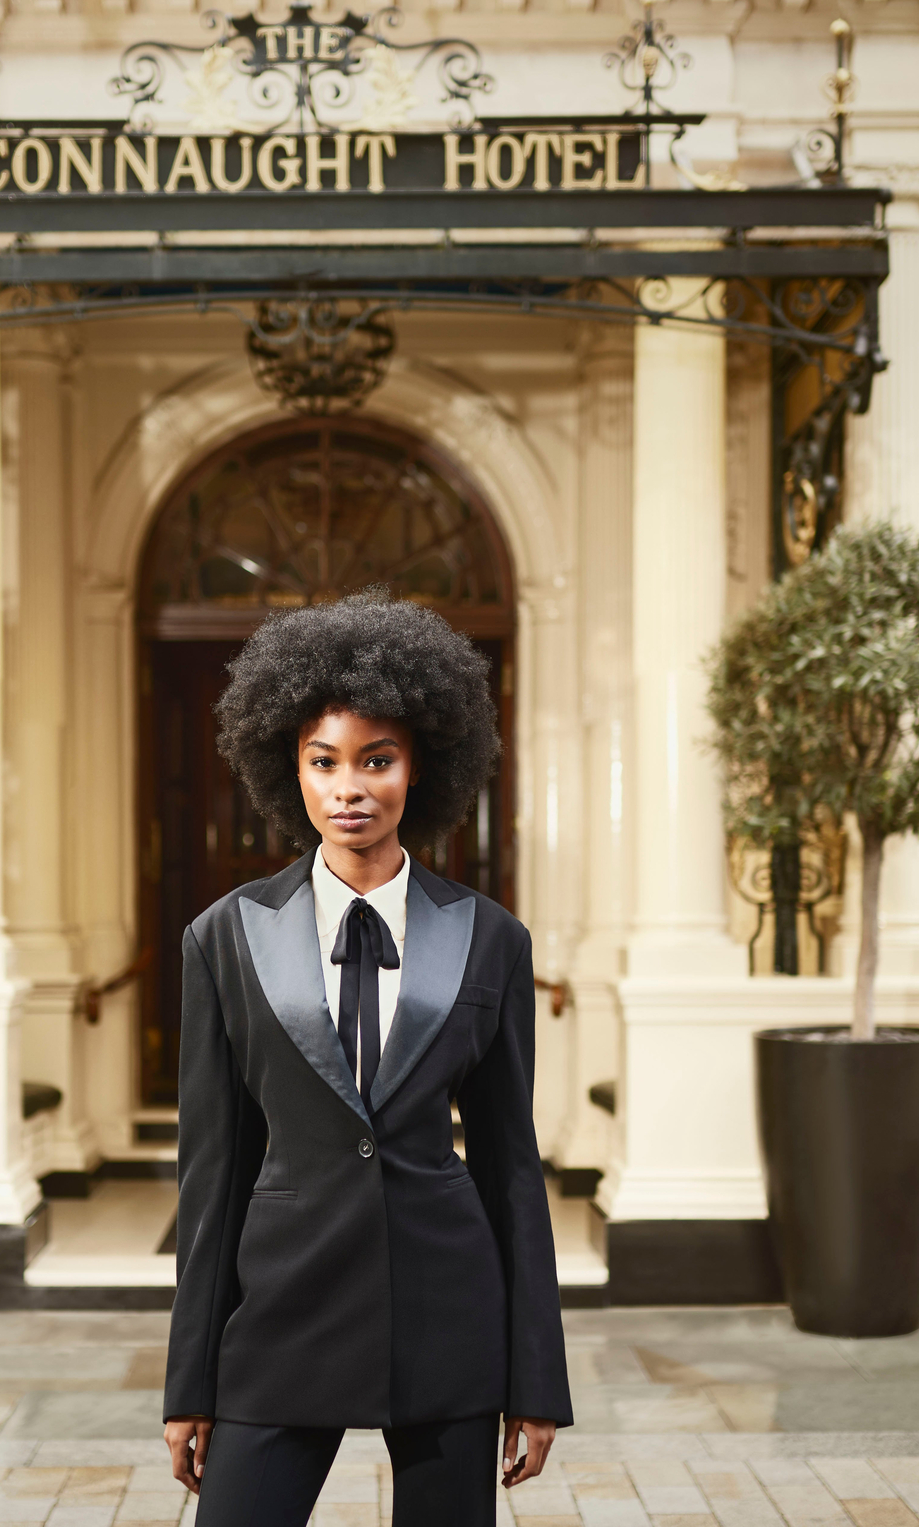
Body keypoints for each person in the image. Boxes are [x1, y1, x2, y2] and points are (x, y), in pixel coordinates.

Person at [162, 593, 572, 1527]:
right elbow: (211, 1173)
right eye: (324, 761)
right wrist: (189, 1379)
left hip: (446, 1316)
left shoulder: (489, 939)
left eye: (375, 760)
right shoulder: (223, 938)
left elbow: (512, 1166)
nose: (349, 787)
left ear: (419, 764)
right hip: (280, 1314)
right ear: (289, 770)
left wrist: (536, 1377)